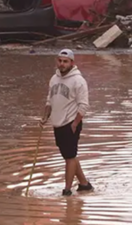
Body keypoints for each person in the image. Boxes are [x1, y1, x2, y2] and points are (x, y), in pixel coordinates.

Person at [40, 49, 93, 196]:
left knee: (69, 157)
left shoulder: (78, 81)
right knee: (70, 155)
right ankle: (84, 184)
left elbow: (84, 105)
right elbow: (49, 101)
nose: (62, 64)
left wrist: (75, 124)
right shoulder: (53, 79)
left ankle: (67, 190)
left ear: (72, 63)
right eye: (60, 61)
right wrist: (45, 117)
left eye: (65, 61)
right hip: (57, 123)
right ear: (57, 61)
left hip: (71, 123)